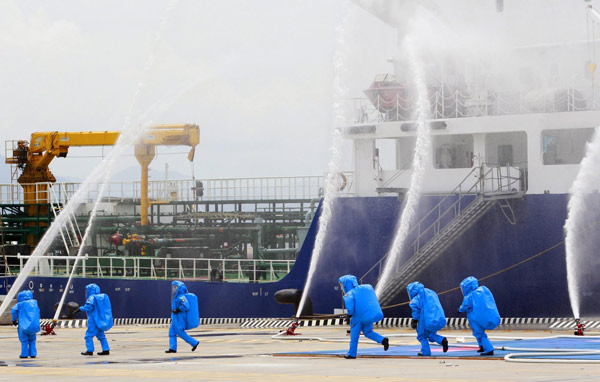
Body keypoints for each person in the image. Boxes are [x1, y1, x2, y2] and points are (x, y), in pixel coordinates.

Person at [338, 274, 389, 359]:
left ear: (346, 284)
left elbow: (350, 306)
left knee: (354, 336)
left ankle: (352, 353)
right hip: (366, 316)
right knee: (368, 332)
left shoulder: (350, 293)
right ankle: (383, 340)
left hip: (357, 318)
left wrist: (349, 315)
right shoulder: (364, 289)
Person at [458, 276, 501, 356]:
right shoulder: (483, 290)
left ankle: (489, 350)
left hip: (474, 318)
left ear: (467, 287)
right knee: (478, 333)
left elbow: (465, 306)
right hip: (482, 317)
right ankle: (481, 346)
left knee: (479, 333)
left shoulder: (469, 296)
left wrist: (459, 309)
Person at [407, 281, 448, 356]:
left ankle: (426, 352)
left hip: (424, 319)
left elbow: (415, 308)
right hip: (436, 318)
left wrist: (415, 319)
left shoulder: (417, 297)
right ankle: (442, 340)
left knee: (422, 336)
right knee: (431, 334)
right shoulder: (431, 292)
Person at [75, 283, 113, 356]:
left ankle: (90, 350)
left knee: (88, 336)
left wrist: (79, 309)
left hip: (93, 320)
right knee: (101, 336)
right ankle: (106, 349)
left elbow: (89, 307)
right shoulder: (101, 298)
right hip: (99, 320)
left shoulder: (91, 297)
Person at [166, 281, 199, 353]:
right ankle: (172, 348)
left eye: (175, 287)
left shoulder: (181, 297)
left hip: (180, 318)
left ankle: (194, 342)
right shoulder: (176, 297)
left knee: (180, 332)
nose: (174, 289)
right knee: (172, 333)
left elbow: (186, 306)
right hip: (175, 317)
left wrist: (178, 309)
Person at [11, 290, 40, 359]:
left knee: (24, 341)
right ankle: (33, 354)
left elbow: (13, 311)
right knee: (32, 340)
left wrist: (14, 320)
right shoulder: (35, 303)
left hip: (23, 325)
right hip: (33, 325)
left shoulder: (20, 304)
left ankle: (24, 354)